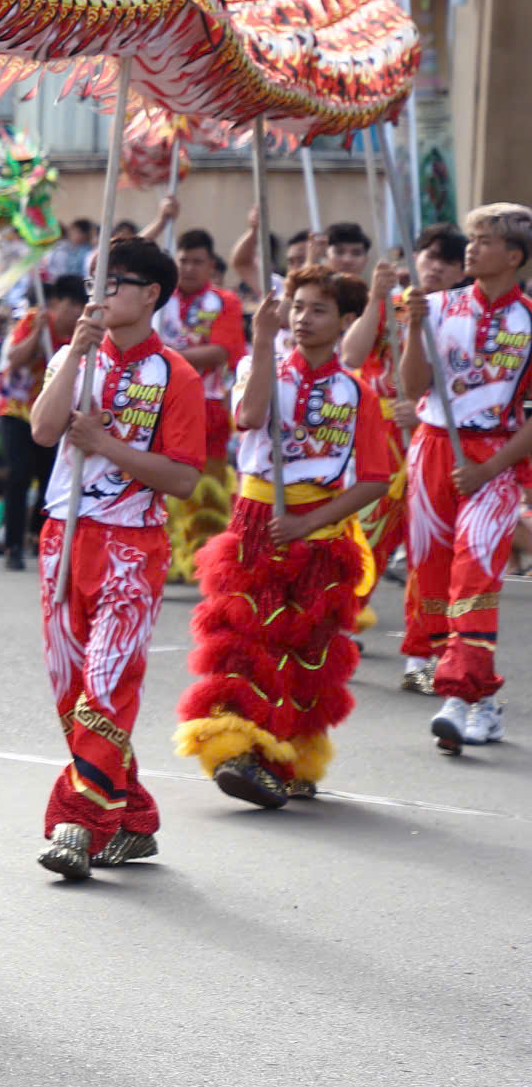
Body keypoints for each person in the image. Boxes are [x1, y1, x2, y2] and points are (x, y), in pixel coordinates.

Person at [176, 267, 389, 806]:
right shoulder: (258, 364)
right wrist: (265, 340)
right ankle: (239, 753)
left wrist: (308, 523)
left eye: (318, 309)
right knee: (246, 644)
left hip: (320, 531)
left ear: (345, 321)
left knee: (306, 649)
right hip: (257, 521)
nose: (303, 317)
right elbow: (247, 415)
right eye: (296, 306)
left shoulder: (356, 391)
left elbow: (373, 480)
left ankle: (288, 753)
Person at [28, 236, 203, 881]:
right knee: (72, 691)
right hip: (64, 537)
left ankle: (79, 822)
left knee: (106, 684)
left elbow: (182, 478)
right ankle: (131, 817)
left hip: (132, 545)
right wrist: (73, 356)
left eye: (115, 280)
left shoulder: (176, 376)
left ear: (151, 294)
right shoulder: (75, 357)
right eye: (92, 276)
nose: (97, 288)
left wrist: (106, 443)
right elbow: (44, 431)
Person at [396, 203, 532, 753]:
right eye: (471, 239)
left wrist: (489, 470)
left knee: (474, 575)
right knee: (433, 581)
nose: (470, 249)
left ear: (515, 256)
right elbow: (413, 385)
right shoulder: (442, 305)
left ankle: (458, 697)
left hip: (494, 460)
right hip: (432, 448)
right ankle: (480, 705)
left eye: (484, 241)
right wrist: (414, 329)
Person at [346, 222, 466, 690]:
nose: (434, 267)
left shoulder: (462, 318)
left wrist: (422, 419)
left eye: (446, 260)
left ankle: (423, 656)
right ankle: (339, 630)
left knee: (427, 556)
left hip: (433, 445)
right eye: (428, 256)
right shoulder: (393, 307)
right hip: (381, 444)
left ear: (461, 269)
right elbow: (353, 353)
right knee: (362, 543)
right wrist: (376, 297)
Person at [152, 229, 244, 584]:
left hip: (208, 406)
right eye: (183, 260)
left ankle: (207, 562)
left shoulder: (224, 302)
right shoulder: (156, 297)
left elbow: (220, 352)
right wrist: (162, 221)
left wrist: (163, 358)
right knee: (160, 484)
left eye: (197, 261)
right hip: (157, 403)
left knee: (209, 488)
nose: (188, 268)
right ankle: (168, 556)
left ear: (211, 265)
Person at [0, 277, 84, 571]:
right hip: (18, 410)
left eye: (79, 306)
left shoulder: (81, 334)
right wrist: (36, 334)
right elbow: (15, 358)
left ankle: (39, 536)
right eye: (69, 304)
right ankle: (13, 545)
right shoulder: (35, 320)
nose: (74, 312)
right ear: (55, 303)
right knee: (18, 475)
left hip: (52, 416)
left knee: (50, 477)